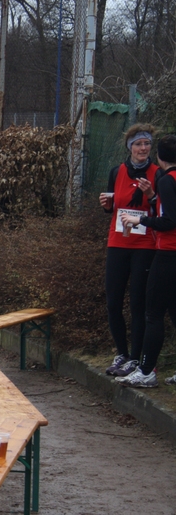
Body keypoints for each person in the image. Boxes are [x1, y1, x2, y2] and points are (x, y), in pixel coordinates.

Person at [99, 123, 159, 378]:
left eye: (147, 144)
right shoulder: (117, 171)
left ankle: (135, 357)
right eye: (138, 144)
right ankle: (122, 353)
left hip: (144, 245)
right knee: (113, 302)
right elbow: (112, 207)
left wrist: (152, 195)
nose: (143, 148)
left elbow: (163, 212)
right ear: (129, 147)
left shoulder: (158, 174)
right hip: (118, 242)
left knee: (138, 303)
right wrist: (106, 205)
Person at [119, 135, 176, 387]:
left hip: (168, 253)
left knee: (153, 313)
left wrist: (140, 220)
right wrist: (153, 198)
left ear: (159, 157)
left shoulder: (166, 179)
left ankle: (146, 371)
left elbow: (169, 220)